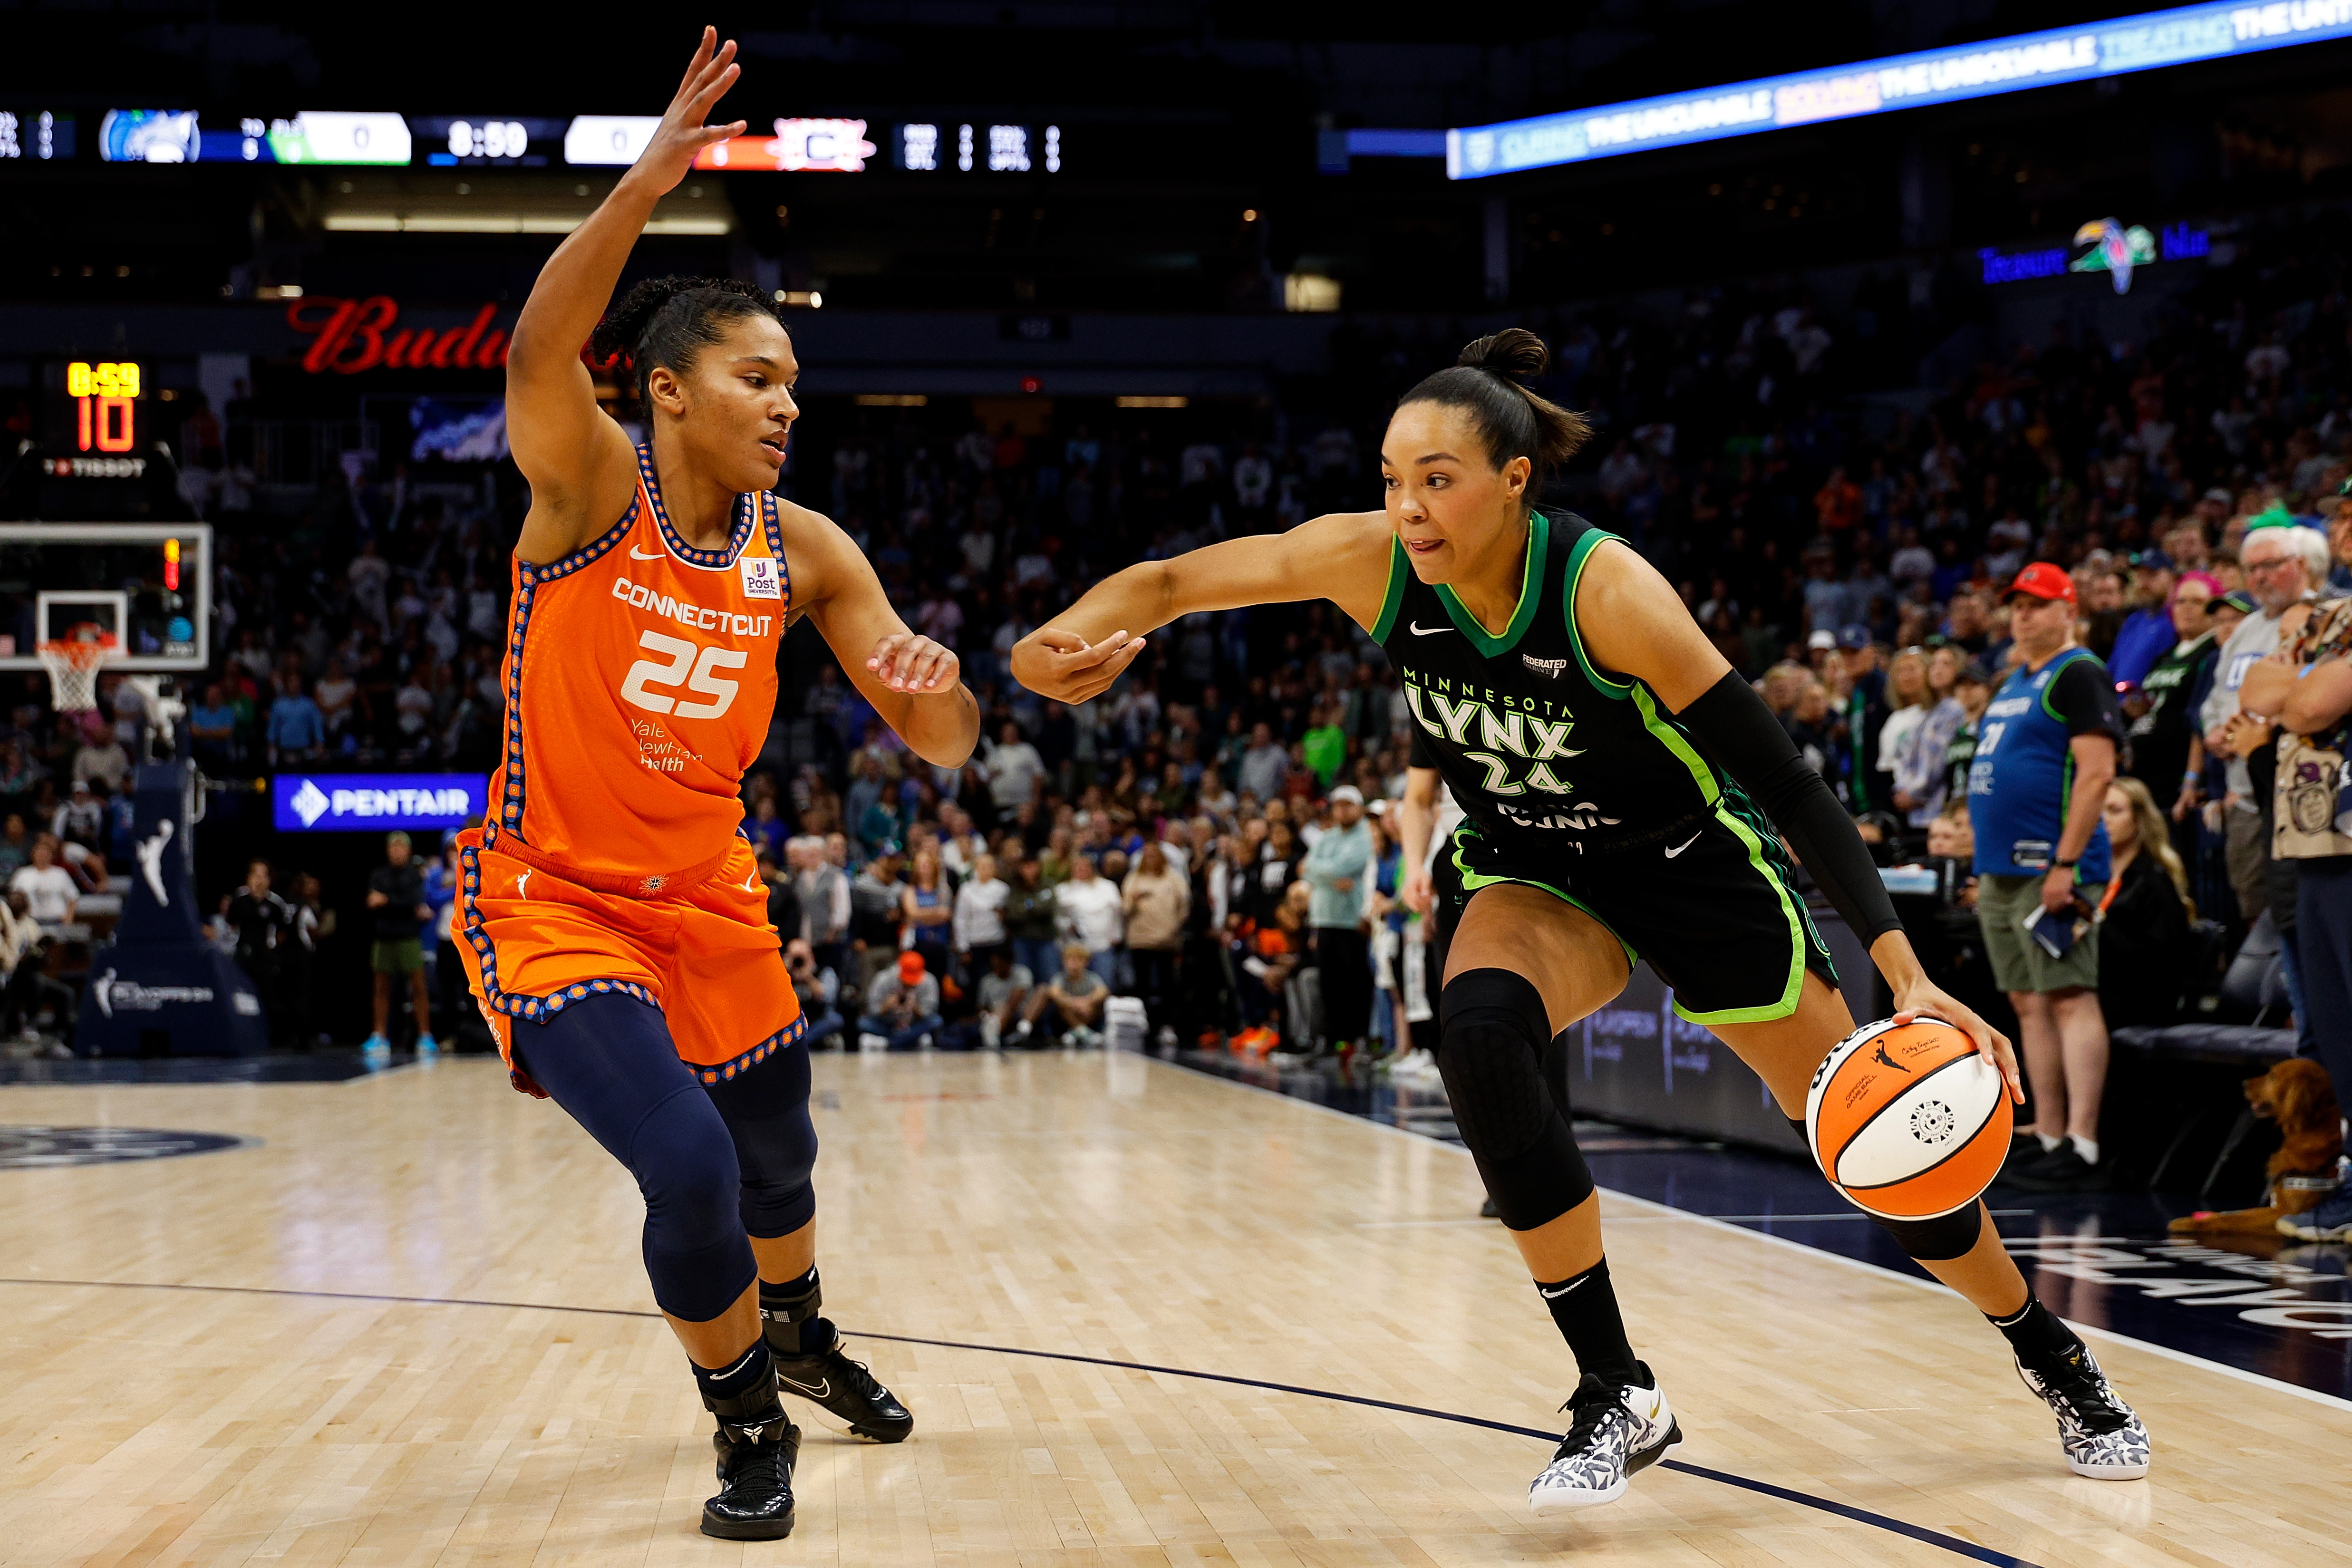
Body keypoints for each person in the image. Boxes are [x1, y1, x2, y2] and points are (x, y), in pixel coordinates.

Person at [1012, 328, 2148, 1508]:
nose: (1406, 508)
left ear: (1513, 480)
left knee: (1881, 1153)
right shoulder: (1370, 563)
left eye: (1436, 479)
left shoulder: (1606, 592)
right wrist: (1064, 642)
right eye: (1392, 480)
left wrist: (1903, 974)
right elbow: (1168, 585)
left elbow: (1789, 781)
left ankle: (2046, 1349)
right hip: (1530, 865)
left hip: (1687, 869)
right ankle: (1615, 1387)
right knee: (1480, 1038)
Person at [459, 31, 975, 1540]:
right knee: (687, 1165)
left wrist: (935, 698)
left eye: (794, 383)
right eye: (757, 377)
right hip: (551, 898)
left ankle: (797, 1331)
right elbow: (534, 353)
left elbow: (934, 738)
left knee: (780, 1149)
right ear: (668, 391)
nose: (786, 403)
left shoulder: (804, 550)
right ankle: (747, 1425)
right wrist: (645, 182)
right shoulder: (588, 483)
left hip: (711, 898)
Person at [1967, 564, 2122, 1195]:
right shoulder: (2014, 680)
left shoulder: (2077, 672)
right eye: (2015, 606)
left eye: (2036, 605)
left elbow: (2095, 774)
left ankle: (2082, 1143)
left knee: (2067, 994)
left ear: (2067, 610)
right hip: (2001, 869)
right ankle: (2050, 1132)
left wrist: (2064, 861)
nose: (2022, 616)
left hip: (2050, 867)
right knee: (2027, 1002)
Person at [2236, 588, 2352, 1241]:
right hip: (2315, 843)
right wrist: (2298, 686)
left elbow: (2303, 703)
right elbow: (2257, 687)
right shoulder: (2322, 633)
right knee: (2334, 1032)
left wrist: (2296, 694)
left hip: (2345, 840)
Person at [2200, 519, 2327, 921]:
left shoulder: (2325, 617)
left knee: (2301, 911)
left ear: (2300, 564)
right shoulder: (2245, 629)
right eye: (2251, 568)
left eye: (2271, 565)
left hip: (2297, 789)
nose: (2259, 576)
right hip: (2244, 793)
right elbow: (2216, 696)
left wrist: (2261, 728)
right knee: (2252, 901)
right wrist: (2214, 731)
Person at [2093, 779, 2194, 1031]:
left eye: (2115, 811)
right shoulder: (2089, 878)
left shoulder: (2155, 880)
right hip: (2095, 986)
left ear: (2139, 820)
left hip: (2139, 996)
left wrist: (2094, 924)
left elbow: (2157, 964)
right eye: (2099, 811)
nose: (2104, 820)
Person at [1299, 784, 1373, 1049]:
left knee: (1355, 981)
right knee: (1329, 983)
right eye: (1338, 805)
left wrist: (1322, 874)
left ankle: (1358, 1036)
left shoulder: (1365, 836)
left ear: (1359, 807)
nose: (1341, 811)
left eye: (1347, 805)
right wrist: (1333, 878)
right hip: (1324, 919)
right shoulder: (1328, 837)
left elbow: (1348, 865)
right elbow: (1305, 868)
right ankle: (1332, 1037)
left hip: (1352, 921)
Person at [364, 830, 438, 1059]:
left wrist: (387, 900)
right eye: (393, 847)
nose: (397, 852)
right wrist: (400, 904)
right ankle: (379, 1035)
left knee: (418, 988)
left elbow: (413, 902)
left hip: (408, 937)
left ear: (408, 850)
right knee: (381, 988)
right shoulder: (379, 875)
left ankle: (425, 1036)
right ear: (388, 851)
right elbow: (372, 903)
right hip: (384, 938)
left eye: (401, 847)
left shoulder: (414, 876)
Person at [1120, 842, 1189, 1041]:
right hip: (1140, 940)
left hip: (1167, 940)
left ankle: (1167, 1025)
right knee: (1142, 985)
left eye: (1154, 854)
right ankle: (1146, 1023)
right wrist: (1134, 899)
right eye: (1147, 855)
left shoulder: (1174, 878)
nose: (1150, 858)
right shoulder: (1134, 878)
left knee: (1169, 985)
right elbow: (1124, 909)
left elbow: (1183, 906)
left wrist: (1174, 928)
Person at [1021, 940, 1110, 1046]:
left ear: (1086, 963)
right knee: (1062, 1005)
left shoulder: (1092, 978)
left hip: (1087, 1014)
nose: (1074, 964)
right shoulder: (1060, 977)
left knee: (1098, 1005)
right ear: (1064, 962)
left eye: (1079, 960)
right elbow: (1054, 993)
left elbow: (1103, 992)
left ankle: (1076, 1033)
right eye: (1071, 960)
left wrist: (1087, 1002)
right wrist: (1075, 1003)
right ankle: (1082, 1032)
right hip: (1065, 1018)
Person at [1053, 853, 1123, 987]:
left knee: (1105, 983)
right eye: (1077, 867)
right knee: (1075, 986)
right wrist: (1068, 926)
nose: (1081, 870)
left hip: (1102, 945)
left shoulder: (1107, 887)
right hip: (1075, 949)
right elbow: (1058, 918)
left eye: (1084, 867)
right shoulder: (1063, 890)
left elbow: (1117, 915)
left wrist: (1117, 936)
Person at [859, 950, 942, 1051]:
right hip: (888, 1024)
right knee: (863, 1022)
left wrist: (915, 1008)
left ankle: (889, 1042)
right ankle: (910, 1040)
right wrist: (886, 1006)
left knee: (937, 1021)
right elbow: (871, 1010)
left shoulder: (929, 982)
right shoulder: (883, 979)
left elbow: (930, 1012)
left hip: (913, 1025)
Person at [10, 835, 78, 933]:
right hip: (31, 923)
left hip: (57, 922)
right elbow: (14, 900)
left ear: (51, 856)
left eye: (45, 853)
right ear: (33, 854)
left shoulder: (61, 874)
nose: (42, 856)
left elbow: (73, 898)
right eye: (39, 853)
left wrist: (68, 920)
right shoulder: (22, 874)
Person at [974, 946, 1034, 1049]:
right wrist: (985, 1015)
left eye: (1000, 964)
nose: (996, 968)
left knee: (1005, 1007)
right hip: (995, 1015)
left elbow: (1018, 997)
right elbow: (981, 1006)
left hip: (1021, 1012)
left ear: (1009, 963)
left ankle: (1019, 1030)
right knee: (995, 1014)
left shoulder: (1022, 973)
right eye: (994, 964)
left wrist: (1003, 1009)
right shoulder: (987, 981)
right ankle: (992, 1038)